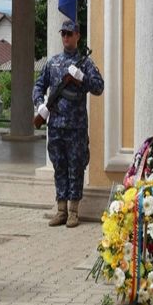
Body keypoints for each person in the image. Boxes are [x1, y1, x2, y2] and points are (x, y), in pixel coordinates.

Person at [33, 19, 104, 227]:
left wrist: (82, 77)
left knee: (76, 167)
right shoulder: (53, 63)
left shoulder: (86, 63)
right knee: (59, 167)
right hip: (55, 125)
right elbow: (38, 86)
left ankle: (73, 210)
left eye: (69, 33)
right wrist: (40, 106)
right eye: (63, 33)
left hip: (76, 126)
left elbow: (99, 88)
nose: (66, 37)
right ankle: (61, 209)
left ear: (77, 36)